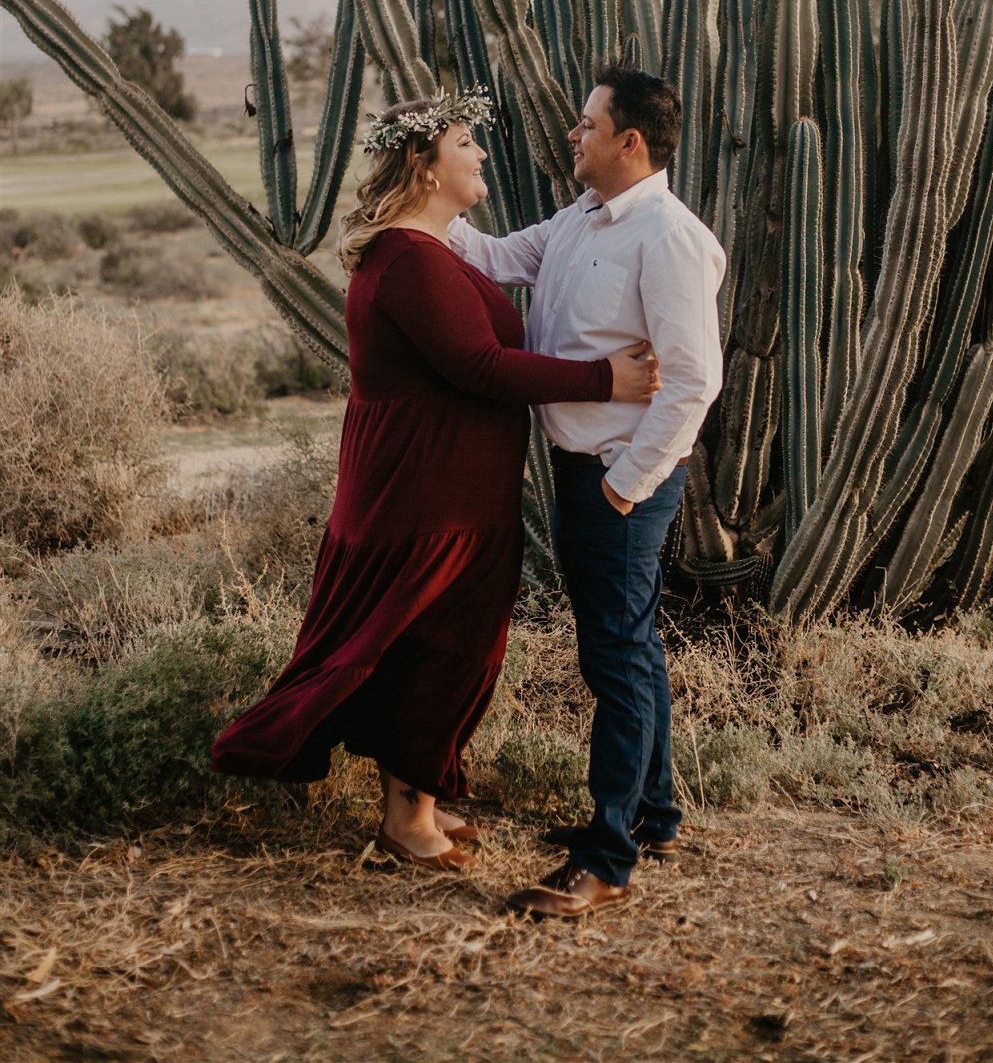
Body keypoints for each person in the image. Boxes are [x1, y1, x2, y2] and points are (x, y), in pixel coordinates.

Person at [210, 86, 661, 870]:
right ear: (424, 166)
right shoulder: (410, 262)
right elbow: (476, 365)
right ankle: (406, 819)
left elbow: (497, 281)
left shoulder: (426, 250)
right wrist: (604, 381)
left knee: (436, 642)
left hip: (443, 487)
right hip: (430, 494)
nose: (481, 153)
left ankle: (414, 803)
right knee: (433, 644)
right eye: (464, 144)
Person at [449, 65, 725, 917]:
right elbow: (493, 258)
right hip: (583, 471)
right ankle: (656, 816)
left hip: (620, 479)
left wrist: (624, 487)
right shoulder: (578, 219)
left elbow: (693, 381)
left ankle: (605, 858)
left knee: (612, 657)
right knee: (628, 648)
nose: (574, 135)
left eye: (587, 124)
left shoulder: (669, 238)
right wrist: (425, 193)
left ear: (628, 141)